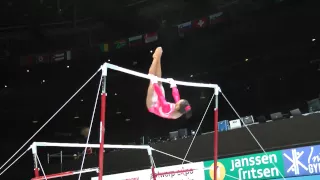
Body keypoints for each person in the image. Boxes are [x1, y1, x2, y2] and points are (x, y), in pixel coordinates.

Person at [146, 47, 192, 119]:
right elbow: (176, 96)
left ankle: (155, 58)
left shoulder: (167, 108)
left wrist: (154, 83)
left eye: (179, 102)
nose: (179, 100)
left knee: (152, 80)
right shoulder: (180, 108)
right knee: (159, 80)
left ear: (177, 106)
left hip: (153, 105)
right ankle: (158, 58)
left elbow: (161, 97)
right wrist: (173, 85)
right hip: (160, 103)